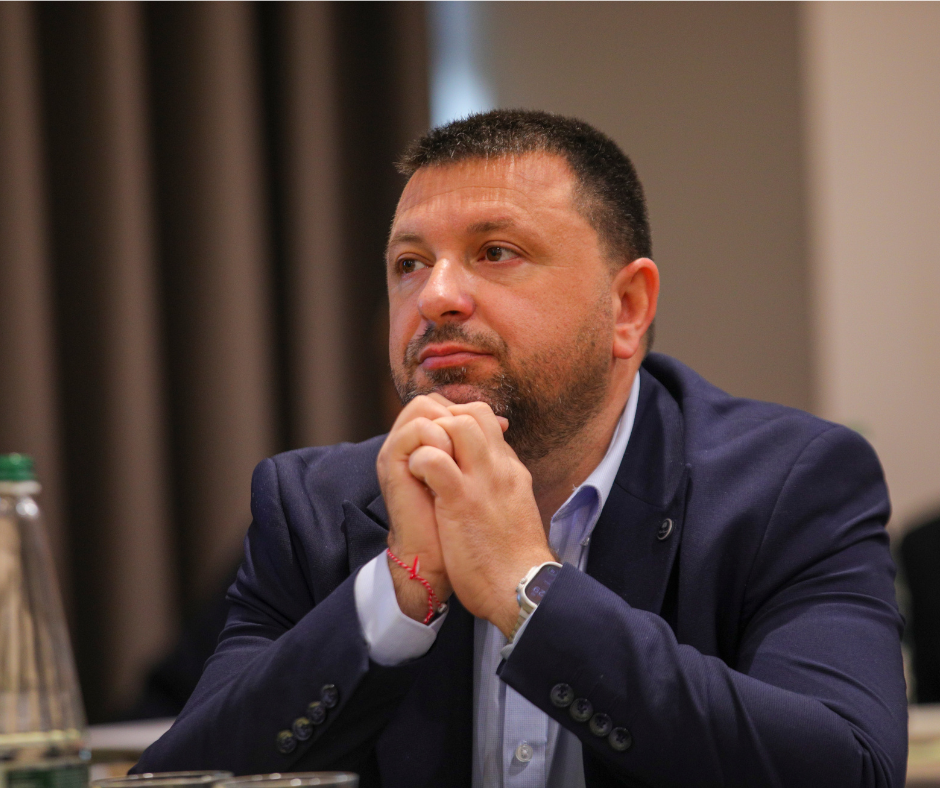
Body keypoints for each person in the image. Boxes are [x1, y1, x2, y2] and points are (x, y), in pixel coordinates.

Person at [133, 110, 907, 787]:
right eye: (409, 264)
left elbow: (848, 768)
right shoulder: (313, 507)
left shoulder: (788, 486)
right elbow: (181, 779)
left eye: (496, 251)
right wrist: (399, 595)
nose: (436, 296)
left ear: (627, 307)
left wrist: (528, 590)